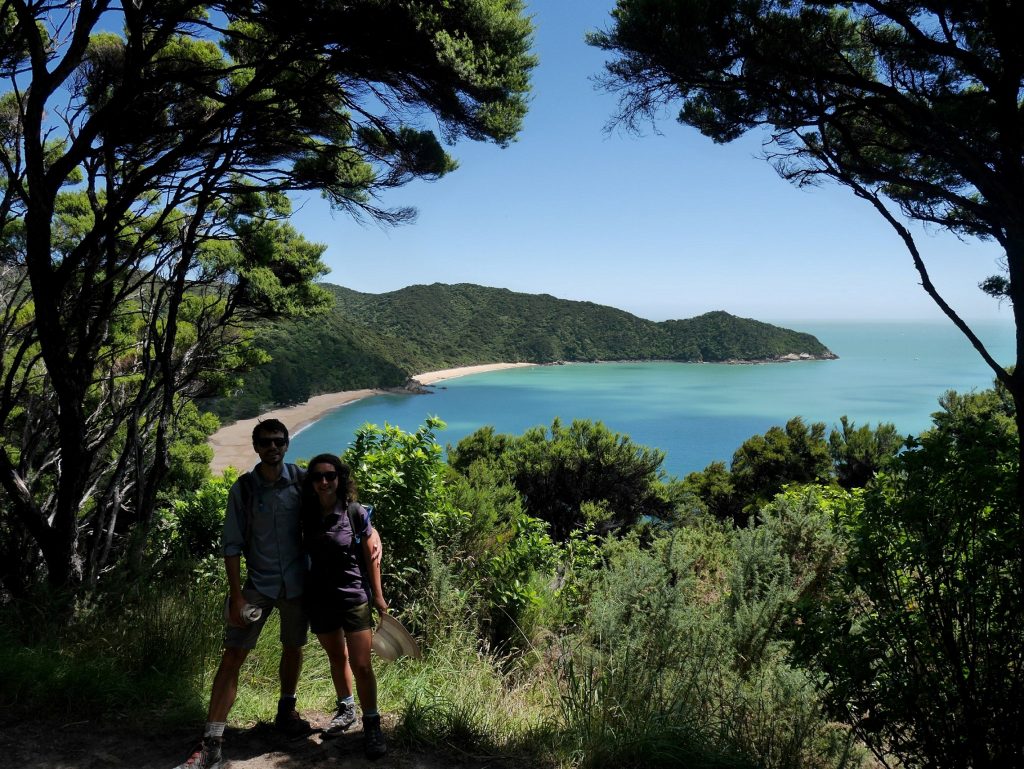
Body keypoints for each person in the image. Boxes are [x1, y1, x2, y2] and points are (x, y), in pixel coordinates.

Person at [173, 420, 380, 769]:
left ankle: (286, 710)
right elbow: (232, 546)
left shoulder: (304, 480)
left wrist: (374, 538)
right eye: (266, 442)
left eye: (279, 441)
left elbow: (346, 508)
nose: (273, 447)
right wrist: (237, 596)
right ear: (256, 447)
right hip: (258, 585)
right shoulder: (244, 489)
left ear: (286, 445)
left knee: (293, 647)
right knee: (232, 656)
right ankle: (212, 741)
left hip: (298, 585)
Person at [301, 453, 389, 759]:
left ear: (340, 478)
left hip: (353, 597)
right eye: (317, 477)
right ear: (310, 482)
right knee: (337, 657)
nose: (323, 482)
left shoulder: (354, 512)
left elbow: (371, 555)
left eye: (330, 475)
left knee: (362, 665)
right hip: (319, 599)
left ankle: (373, 724)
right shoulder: (305, 514)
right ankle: (346, 708)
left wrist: (378, 597)